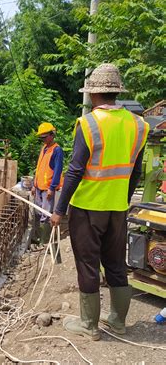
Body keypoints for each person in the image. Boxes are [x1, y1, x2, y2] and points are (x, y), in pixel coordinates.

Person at [50, 64, 149, 340]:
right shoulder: (138, 125)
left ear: (93, 95)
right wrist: (122, 200)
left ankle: (89, 325)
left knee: (88, 264)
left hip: (87, 208)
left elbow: (75, 170)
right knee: (117, 264)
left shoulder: (89, 123)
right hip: (117, 209)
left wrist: (59, 210)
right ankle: (118, 321)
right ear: (116, 93)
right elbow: (136, 171)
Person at [32, 122, 64, 261]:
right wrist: (34, 184)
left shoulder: (57, 150)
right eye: (41, 138)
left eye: (45, 137)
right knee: (38, 212)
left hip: (47, 188)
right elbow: (39, 168)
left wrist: (52, 187)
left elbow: (57, 170)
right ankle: (38, 239)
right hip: (39, 187)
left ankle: (45, 242)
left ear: (52, 135)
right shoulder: (44, 148)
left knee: (46, 215)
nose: (43, 140)